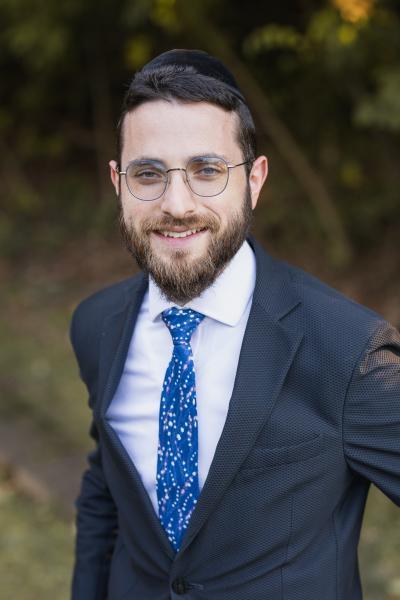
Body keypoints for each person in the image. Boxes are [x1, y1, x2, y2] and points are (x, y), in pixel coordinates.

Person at [70, 49, 400, 600]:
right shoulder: (95, 324)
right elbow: (107, 486)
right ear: (118, 182)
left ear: (255, 180)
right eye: (148, 173)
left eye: (207, 170)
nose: (177, 204)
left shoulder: (346, 350)